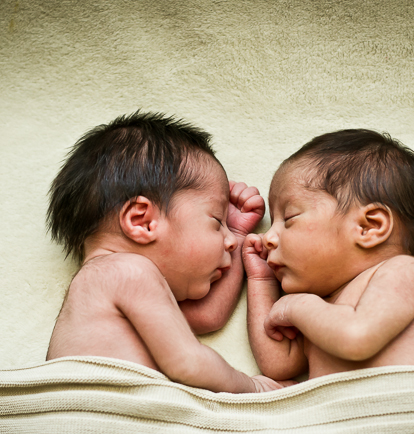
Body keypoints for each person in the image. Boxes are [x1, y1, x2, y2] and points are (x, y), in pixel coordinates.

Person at [46, 111, 286, 393]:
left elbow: (209, 316)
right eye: (216, 221)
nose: (229, 242)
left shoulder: (108, 290)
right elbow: (189, 363)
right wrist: (255, 388)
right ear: (143, 222)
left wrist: (238, 233)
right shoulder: (126, 272)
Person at [243, 129, 414, 381]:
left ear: (368, 227)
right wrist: (261, 281)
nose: (268, 237)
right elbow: (279, 364)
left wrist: (295, 306)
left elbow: (356, 337)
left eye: (289, 218)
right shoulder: (322, 309)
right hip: (351, 418)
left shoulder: (403, 272)